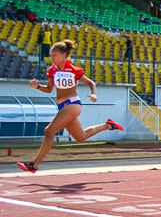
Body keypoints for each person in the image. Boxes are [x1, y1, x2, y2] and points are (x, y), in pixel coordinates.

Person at [17, 40, 124, 173]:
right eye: (51, 56)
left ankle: (34, 165)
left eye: (54, 56)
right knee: (81, 137)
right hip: (62, 106)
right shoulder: (53, 70)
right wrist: (37, 86)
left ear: (63, 55)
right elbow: (49, 89)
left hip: (73, 104)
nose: (52, 58)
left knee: (49, 131)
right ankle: (108, 125)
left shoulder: (74, 70)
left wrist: (93, 94)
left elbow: (91, 82)